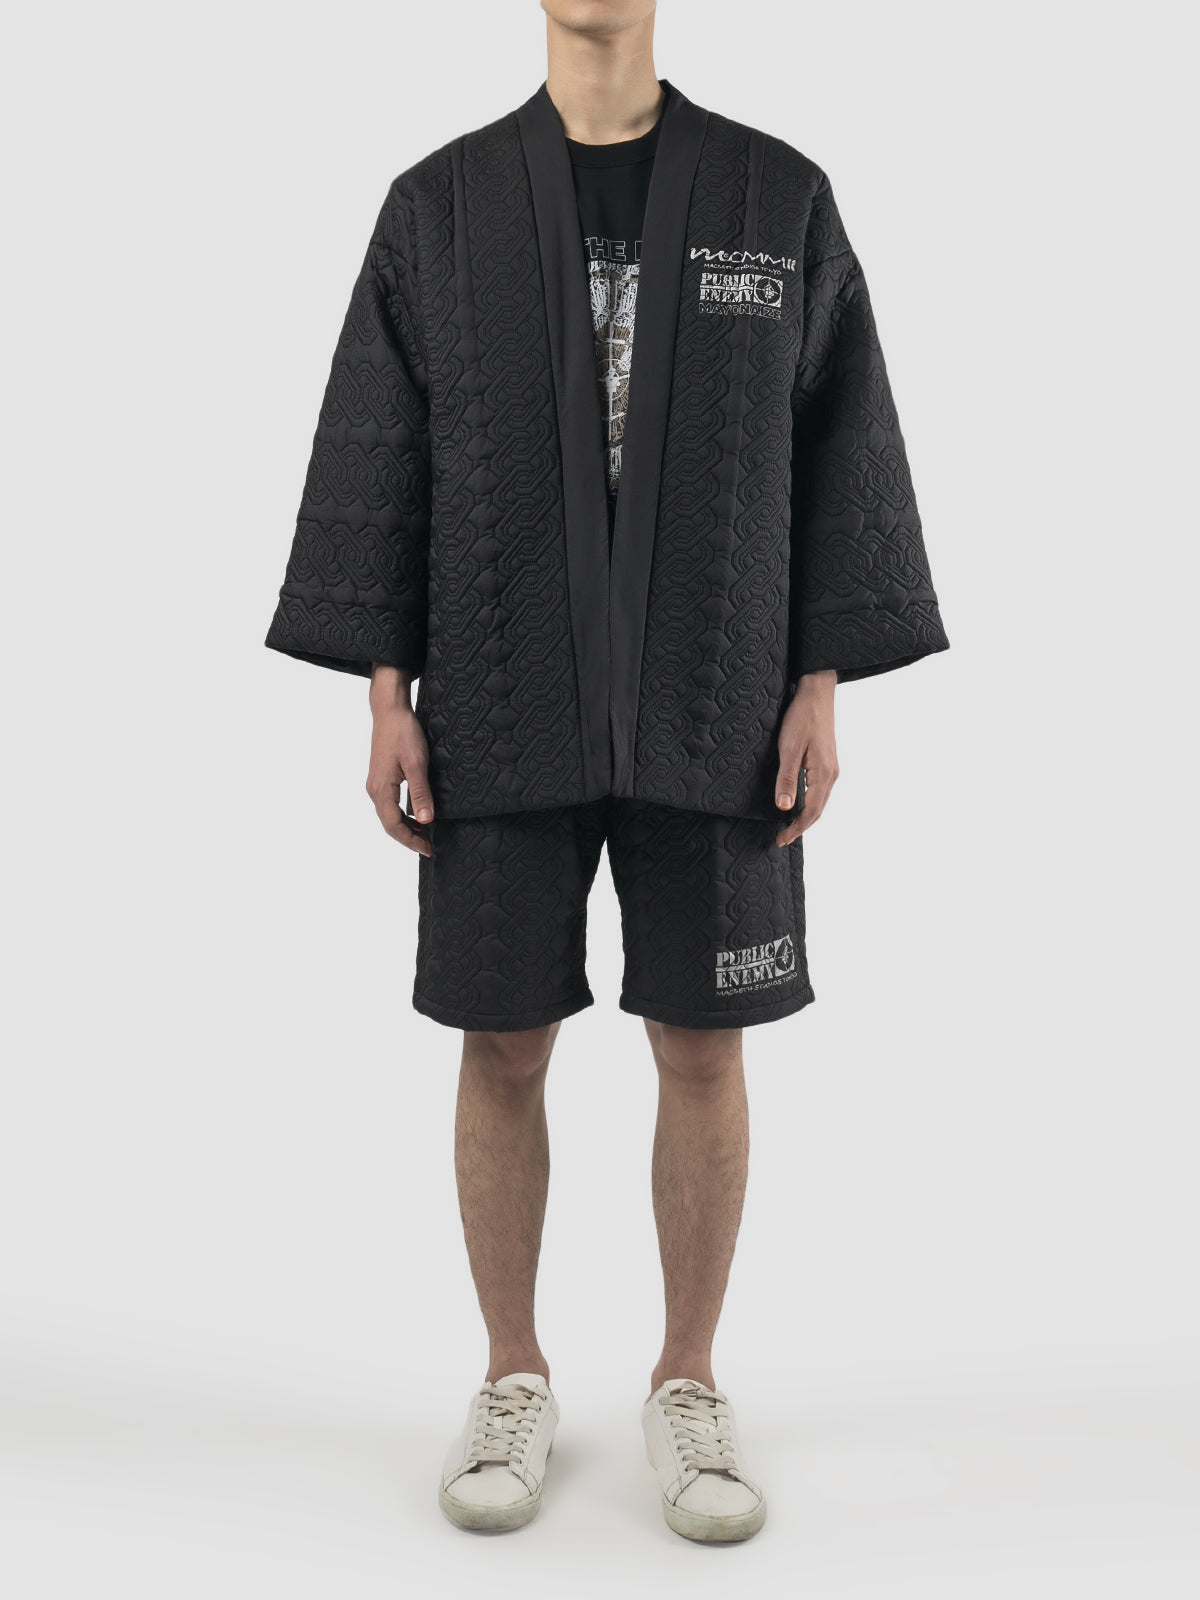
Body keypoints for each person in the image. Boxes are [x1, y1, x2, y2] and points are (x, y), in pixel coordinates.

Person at [265, 0, 948, 1543]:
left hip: (720, 690)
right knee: (501, 1038)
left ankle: (687, 1382)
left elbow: (838, 445)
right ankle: (510, 1374)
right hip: (499, 683)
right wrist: (384, 693)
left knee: (704, 1043)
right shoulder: (437, 205)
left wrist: (821, 683)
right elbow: (384, 442)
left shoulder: (776, 197)